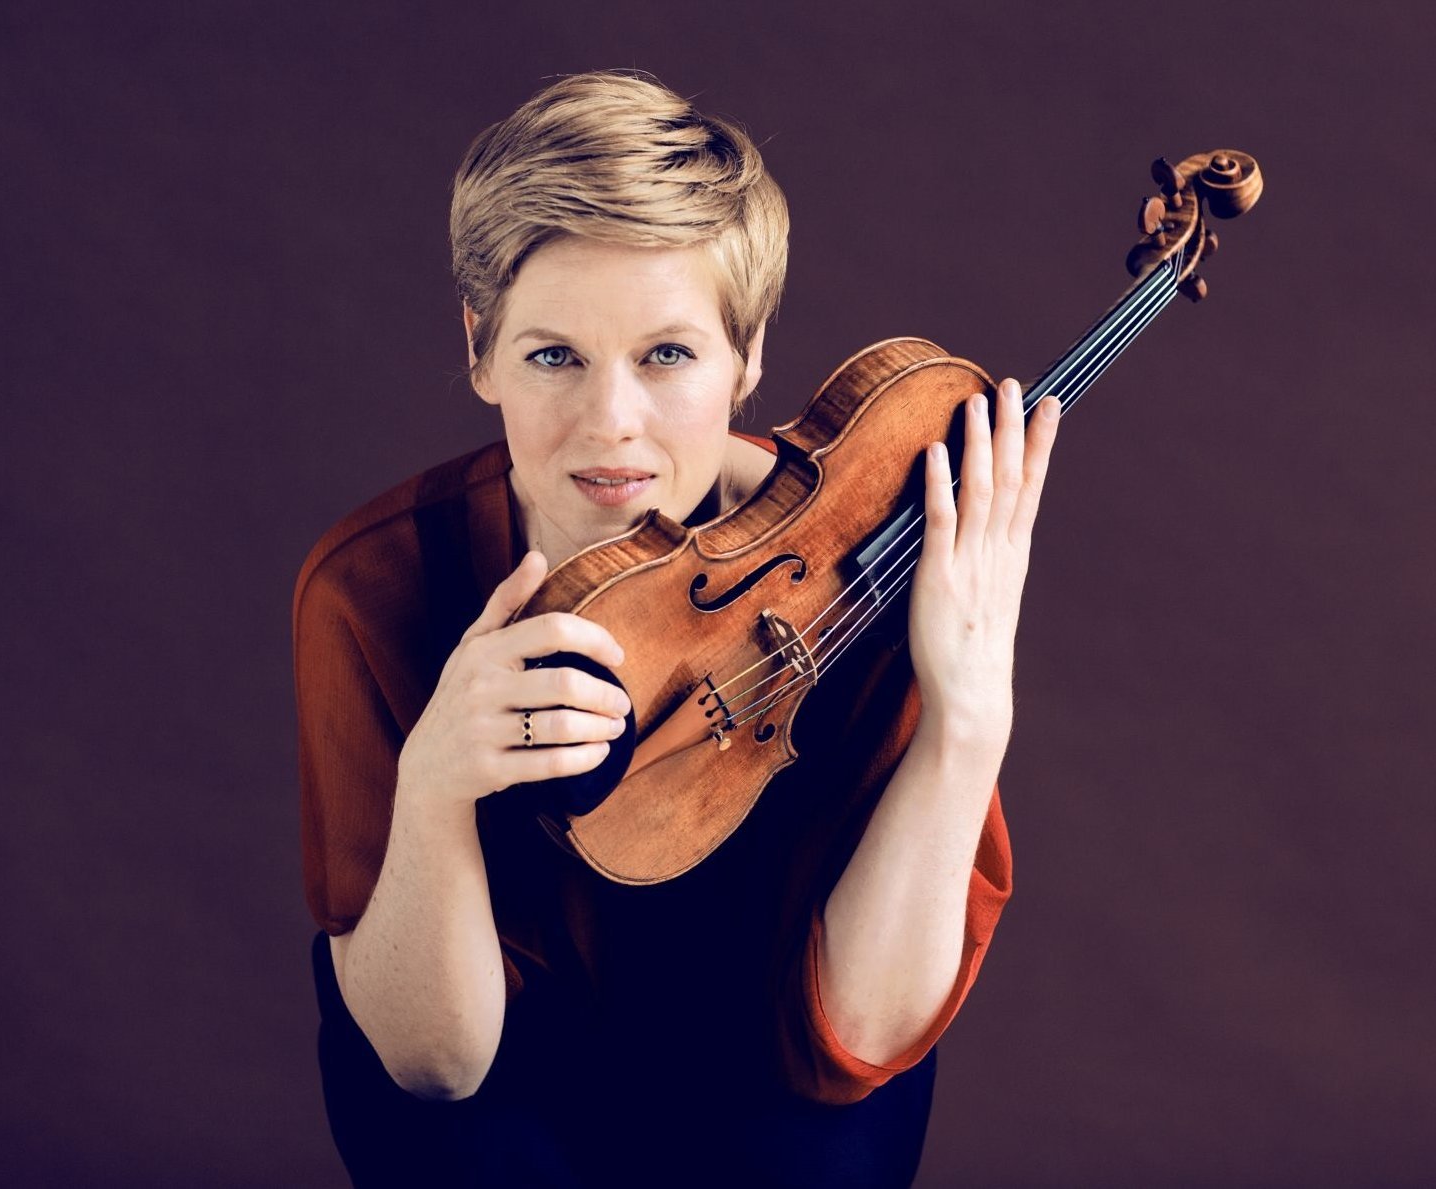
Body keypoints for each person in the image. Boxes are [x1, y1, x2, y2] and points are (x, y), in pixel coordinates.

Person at [293, 69, 1061, 1188]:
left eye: (667, 355)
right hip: (499, 1071)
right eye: (553, 354)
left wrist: (967, 715)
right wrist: (434, 789)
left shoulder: (871, 558)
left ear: (747, 357)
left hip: (771, 1050)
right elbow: (434, 1065)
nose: (611, 425)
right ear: (478, 350)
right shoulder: (372, 588)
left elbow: (862, 1033)